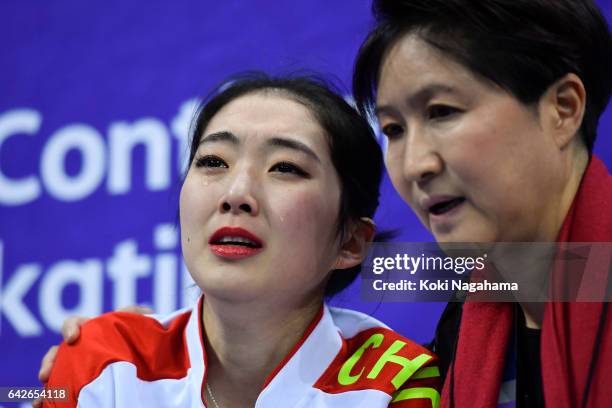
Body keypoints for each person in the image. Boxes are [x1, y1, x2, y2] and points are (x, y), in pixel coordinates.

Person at [40, 74, 441, 408]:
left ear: (351, 242)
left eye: (285, 167)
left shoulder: (395, 382)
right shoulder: (104, 360)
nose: (235, 193)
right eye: (213, 161)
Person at [352, 0, 611, 407]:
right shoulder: (463, 320)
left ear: (563, 109)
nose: (416, 164)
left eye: (442, 112)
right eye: (394, 129)